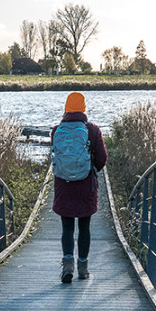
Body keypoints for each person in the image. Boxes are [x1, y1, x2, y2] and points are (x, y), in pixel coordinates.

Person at [51, 91, 107, 283]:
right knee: (84, 227)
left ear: (66, 108)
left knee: (67, 228)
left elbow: (55, 158)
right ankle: (83, 269)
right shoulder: (92, 129)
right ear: (83, 108)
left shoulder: (56, 130)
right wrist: (89, 170)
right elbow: (102, 159)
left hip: (64, 184)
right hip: (85, 185)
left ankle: (67, 266)